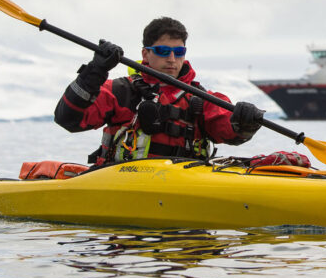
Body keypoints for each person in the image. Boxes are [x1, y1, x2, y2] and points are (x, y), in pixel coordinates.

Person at [54, 16, 264, 166]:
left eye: (179, 51)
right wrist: (94, 71)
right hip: (124, 185)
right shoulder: (119, 92)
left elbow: (231, 132)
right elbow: (68, 119)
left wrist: (245, 121)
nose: (172, 59)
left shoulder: (202, 99)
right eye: (163, 51)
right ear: (145, 54)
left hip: (183, 186)